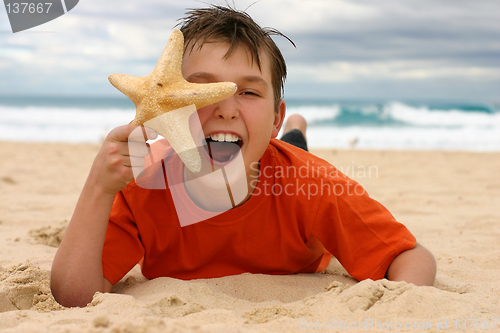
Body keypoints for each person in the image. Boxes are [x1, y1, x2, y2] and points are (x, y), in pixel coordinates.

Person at [50, 5, 436, 308]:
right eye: (200, 91)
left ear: (273, 118)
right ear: (170, 108)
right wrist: (98, 188)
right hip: (258, 148)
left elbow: (409, 256)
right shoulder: (142, 183)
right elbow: (75, 296)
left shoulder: (315, 185)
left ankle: (294, 132)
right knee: (272, 149)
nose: (226, 108)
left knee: (296, 154)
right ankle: (291, 132)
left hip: (282, 163)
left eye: (249, 93)